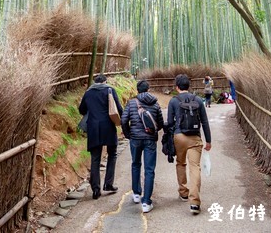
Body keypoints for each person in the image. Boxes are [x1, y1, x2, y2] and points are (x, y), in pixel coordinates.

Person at [167, 74, 212, 215]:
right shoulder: (198, 100)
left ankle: (183, 192)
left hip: (179, 137)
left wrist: (170, 141)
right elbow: (204, 122)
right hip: (194, 138)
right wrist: (208, 140)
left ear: (176, 87)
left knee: (181, 163)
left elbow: (169, 123)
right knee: (195, 168)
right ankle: (194, 202)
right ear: (189, 86)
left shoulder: (173, 101)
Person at [121, 79, 164, 213]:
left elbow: (123, 120)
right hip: (150, 139)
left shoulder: (132, 103)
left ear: (137, 90)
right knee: (149, 169)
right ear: (148, 89)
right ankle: (146, 202)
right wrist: (153, 131)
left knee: (135, 164)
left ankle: (136, 194)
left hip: (135, 138)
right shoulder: (155, 104)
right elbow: (160, 123)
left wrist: (129, 134)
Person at [79, 73, 124, 199]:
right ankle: (108, 184)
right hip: (108, 127)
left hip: (93, 128)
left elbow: (81, 109)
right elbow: (118, 108)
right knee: (112, 154)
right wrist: (123, 122)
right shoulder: (110, 90)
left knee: (95, 158)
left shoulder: (88, 93)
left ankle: (95, 190)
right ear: (105, 81)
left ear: (94, 82)